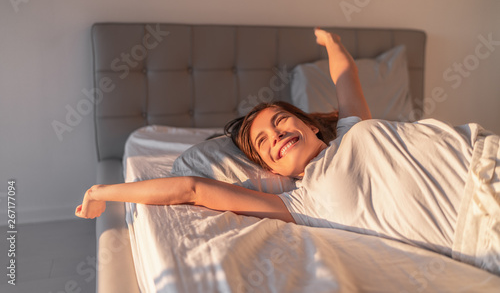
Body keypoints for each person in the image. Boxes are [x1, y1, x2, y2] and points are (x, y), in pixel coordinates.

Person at [76, 28, 500, 275]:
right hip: (482, 222)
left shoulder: (352, 127)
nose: (275, 135)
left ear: (312, 125)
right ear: (269, 167)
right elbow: (191, 188)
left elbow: (345, 73)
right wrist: (100, 192)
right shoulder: (300, 201)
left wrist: (330, 40)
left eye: (280, 121)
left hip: (485, 152)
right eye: (263, 143)